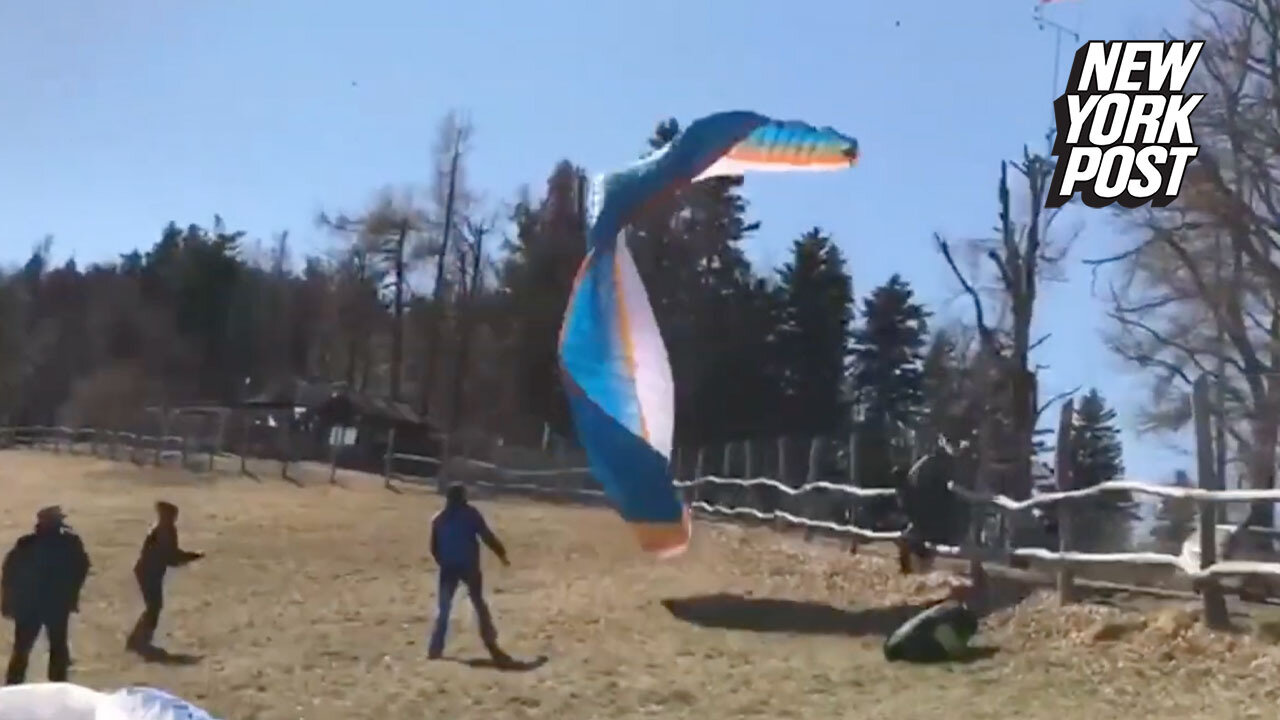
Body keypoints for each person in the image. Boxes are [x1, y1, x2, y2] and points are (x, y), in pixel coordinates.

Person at [1, 506, 91, 684]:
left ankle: (13, 687)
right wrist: (71, 592)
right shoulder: (70, 543)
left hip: (29, 606)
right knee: (56, 647)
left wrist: (8, 602)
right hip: (55, 605)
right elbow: (82, 567)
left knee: (22, 649)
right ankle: (57, 686)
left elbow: (9, 573)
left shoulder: (26, 543)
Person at [427, 484, 512, 664]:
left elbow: (433, 548)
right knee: (478, 603)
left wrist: (443, 561)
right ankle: (490, 642)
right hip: (469, 566)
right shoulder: (471, 514)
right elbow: (487, 536)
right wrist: (501, 553)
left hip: (448, 567)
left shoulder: (439, 519)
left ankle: (435, 648)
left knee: (444, 608)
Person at [126, 501, 203, 653]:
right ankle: (139, 641)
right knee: (154, 606)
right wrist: (192, 556)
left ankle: (138, 640)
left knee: (153, 606)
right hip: (149, 572)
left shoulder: (161, 528)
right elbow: (171, 557)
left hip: (148, 571)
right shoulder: (165, 531)